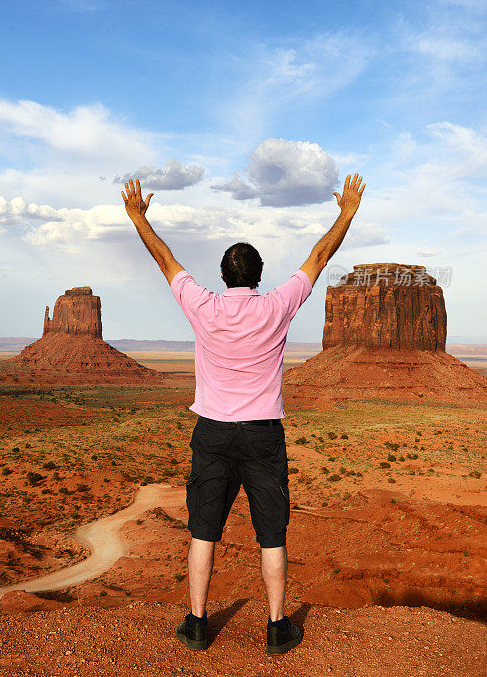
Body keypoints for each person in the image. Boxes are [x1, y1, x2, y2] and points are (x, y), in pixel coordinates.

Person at [122, 173, 366, 655]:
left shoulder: (202, 305)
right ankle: (277, 627)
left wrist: (138, 219)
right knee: (272, 532)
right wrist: (346, 213)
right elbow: (318, 259)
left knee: (203, 529)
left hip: (212, 431)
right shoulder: (278, 304)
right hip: (261, 434)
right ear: (257, 276)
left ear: (223, 275)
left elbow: (166, 260)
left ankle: (196, 623)